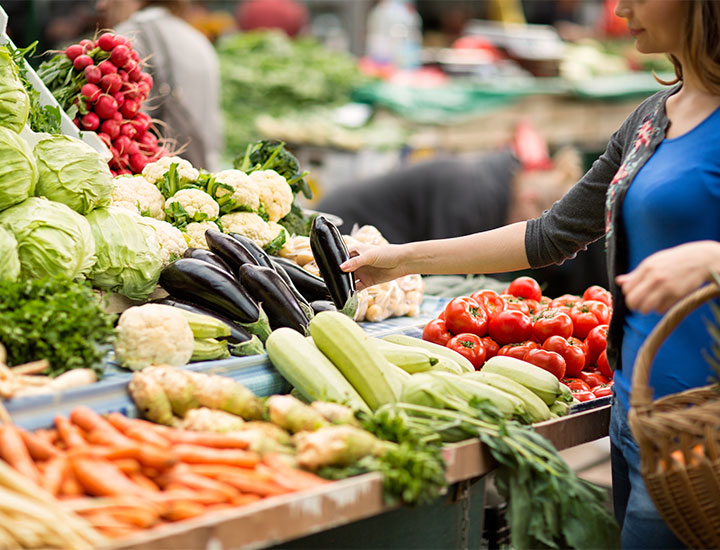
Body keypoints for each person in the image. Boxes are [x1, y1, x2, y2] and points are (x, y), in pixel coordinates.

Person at [341, 1, 720, 548]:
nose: (620, 8)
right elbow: (547, 235)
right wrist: (401, 258)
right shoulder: (651, 119)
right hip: (639, 419)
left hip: (707, 429)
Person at [95, 0, 223, 171]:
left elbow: (120, 136)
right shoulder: (197, 39)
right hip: (202, 172)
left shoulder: (128, 38)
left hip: (159, 180)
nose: (101, 5)